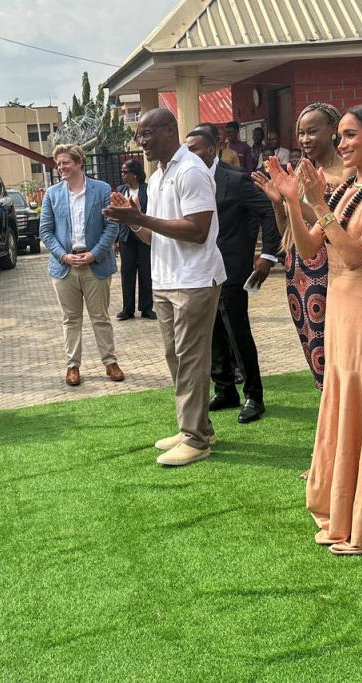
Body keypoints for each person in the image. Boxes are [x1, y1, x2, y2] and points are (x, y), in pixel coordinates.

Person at [268, 103, 362, 555]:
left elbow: (354, 255)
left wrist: (315, 203)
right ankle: (342, 503)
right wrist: (294, 200)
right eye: (343, 136)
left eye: (351, 136)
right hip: (340, 307)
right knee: (341, 395)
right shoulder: (350, 185)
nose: (343, 144)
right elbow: (313, 244)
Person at [103, 108, 226, 467]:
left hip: (194, 280)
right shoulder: (158, 177)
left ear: (171, 130)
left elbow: (198, 230)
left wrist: (141, 217)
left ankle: (196, 439)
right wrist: (132, 218)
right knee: (176, 359)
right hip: (166, 280)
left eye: (147, 133)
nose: (141, 141)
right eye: (139, 136)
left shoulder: (191, 171)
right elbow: (150, 235)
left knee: (190, 360)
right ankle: (197, 426)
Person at [184, 129, 280, 424]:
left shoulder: (236, 180)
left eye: (195, 149)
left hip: (232, 269)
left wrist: (268, 256)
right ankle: (225, 389)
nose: (190, 155)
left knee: (237, 332)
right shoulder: (187, 179)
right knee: (212, 332)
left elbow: (268, 211)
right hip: (201, 270)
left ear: (212, 150)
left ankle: (254, 395)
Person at [253, 102, 347, 390]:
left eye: (312, 131)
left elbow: (336, 228)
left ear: (334, 130)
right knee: (314, 349)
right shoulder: (303, 174)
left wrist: (295, 200)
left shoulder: (347, 175)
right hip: (299, 274)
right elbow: (287, 234)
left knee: (337, 349)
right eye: (301, 133)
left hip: (331, 272)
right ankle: (330, 413)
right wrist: (278, 203)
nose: (305, 139)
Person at [39, 143, 124, 386]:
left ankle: (110, 362)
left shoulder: (102, 189)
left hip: (95, 263)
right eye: (59, 164)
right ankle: (72, 366)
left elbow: (112, 226)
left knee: (100, 317)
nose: (61, 167)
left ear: (78, 163)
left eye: (65, 162)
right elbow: (45, 231)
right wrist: (63, 256)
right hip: (64, 266)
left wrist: (94, 254)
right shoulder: (52, 194)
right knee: (71, 319)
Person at [115, 158, 154, 321]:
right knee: (127, 272)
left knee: (146, 272)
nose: (123, 175)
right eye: (122, 172)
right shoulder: (120, 190)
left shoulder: (147, 190)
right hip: (126, 237)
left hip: (144, 237)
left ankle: (146, 308)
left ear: (135, 174)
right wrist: (116, 240)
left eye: (126, 172)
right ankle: (127, 309)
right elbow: (116, 214)